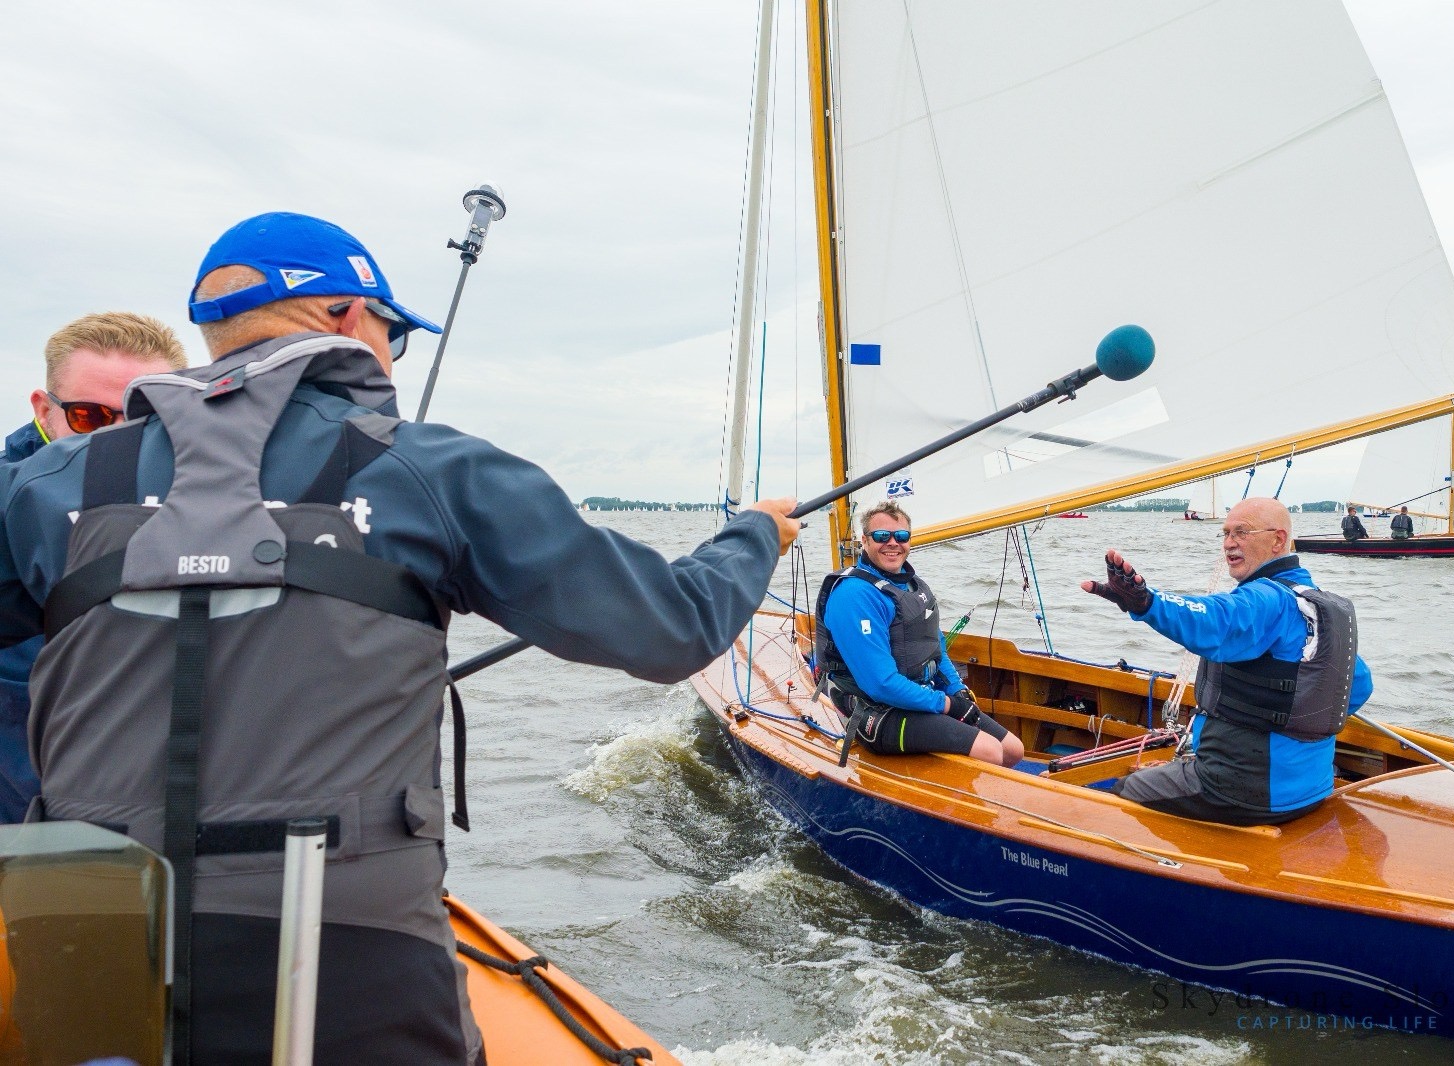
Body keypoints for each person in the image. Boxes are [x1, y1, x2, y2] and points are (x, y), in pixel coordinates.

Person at [0, 211, 800, 1065]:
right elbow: (672, 628)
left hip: (86, 933)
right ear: (347, 316)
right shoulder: (433, 468)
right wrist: (750, 536)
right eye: (393, 332)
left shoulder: (47, 484)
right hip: (347, 944)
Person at [1080, 497, 1372, 827]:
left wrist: (1146, 602)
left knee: (1126, 791)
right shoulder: (1317, 606)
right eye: (1225, 533)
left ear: (1277, 540)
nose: (1230, 543)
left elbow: (1216, 621)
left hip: (1243, 791)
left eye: (1242, 532)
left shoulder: (1266, 599)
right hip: (1311, 789)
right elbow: (1359, 684)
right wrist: (1292, 720)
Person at [0, 312, 187, 824]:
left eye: (145, 420)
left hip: (150, 834)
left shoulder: (220, 515)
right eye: (90, 418)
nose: (118, 442)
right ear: (44, 409)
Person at [812, 501, 1024, 768]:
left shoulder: (912, 587)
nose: (893, 543)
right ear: (864, 541)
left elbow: (936, 649)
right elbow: (880, 684)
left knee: (1014, 749)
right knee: (990, 750)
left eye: (901, 536)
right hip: (875, 711)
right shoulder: (854, 596)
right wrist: (945, 705)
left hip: (917, 697)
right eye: (881, 536)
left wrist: (956, 691)